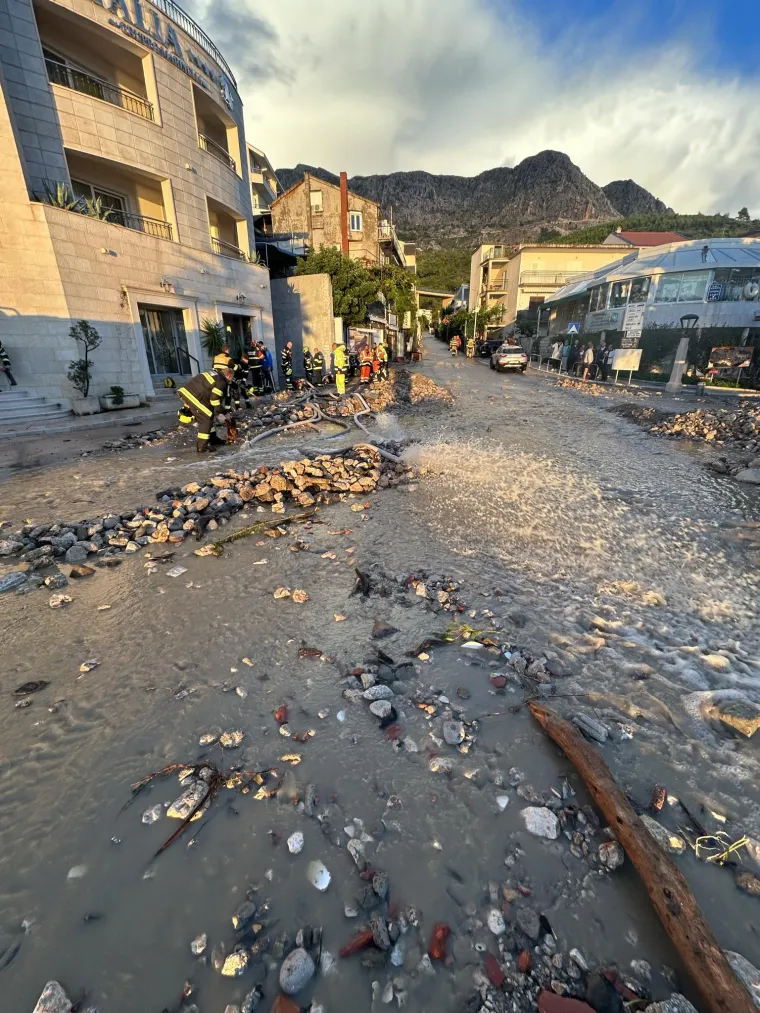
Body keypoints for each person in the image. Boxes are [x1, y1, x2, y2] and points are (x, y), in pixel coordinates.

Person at [177, 354, 232, 453]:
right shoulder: (222, 382)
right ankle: (201, 446)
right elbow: (214, 401)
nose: (230, 380)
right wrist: (224, 412)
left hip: (189, 393)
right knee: (206, 419)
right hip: (194, 396)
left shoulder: (215, 374)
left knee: (209, 414)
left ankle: (213, 439)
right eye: (231, 378)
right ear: (228, 375)